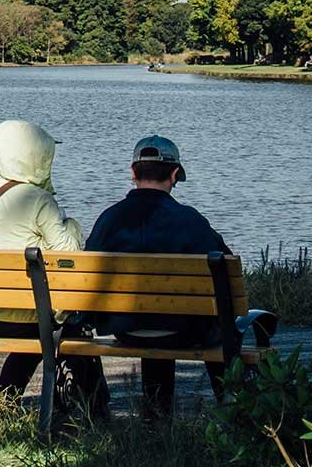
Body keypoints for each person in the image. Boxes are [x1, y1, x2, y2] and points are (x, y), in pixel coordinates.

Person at [0, 120, 108, 419]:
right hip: (29, 315)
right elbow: (70, 255)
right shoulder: (39, 200)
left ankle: (4, 402)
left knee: (37, 325)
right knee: (70, 321)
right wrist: (72, 225)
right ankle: (94, 405)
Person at [85, 134, 232, 420]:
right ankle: (233, 410)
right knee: (215, 327)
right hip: (182, 330)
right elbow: (226, 266)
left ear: (132, 173)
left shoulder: (108, 219)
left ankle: (156, 415)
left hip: (124, 327)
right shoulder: (190, 220)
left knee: (151, 318)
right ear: (175, 175)